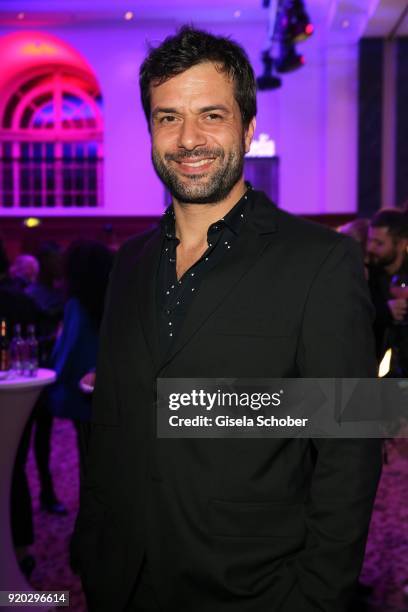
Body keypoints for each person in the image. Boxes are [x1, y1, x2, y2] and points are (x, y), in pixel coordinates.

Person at [72, 27, 382, 612]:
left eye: (211, 114)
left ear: (248, 125)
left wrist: (316, 594)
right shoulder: (130, 263)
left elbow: (353, 442)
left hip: (255, 588)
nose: (188, 138)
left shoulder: (321, 260)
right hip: (122, 579)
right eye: (168, 118)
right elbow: (113, 419)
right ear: (150, 131)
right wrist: (91, 549)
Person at [47, 240, 113, 482]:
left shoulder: (77, 304)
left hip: (83, 392)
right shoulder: (116, 297)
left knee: (89, 464)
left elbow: (68, 353)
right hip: (114, 392)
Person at [367, 209, 408, 373]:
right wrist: (385, 311)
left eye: (379, 243)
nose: (370, 248)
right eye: (369, 240)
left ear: (402, 244)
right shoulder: (365, 276)